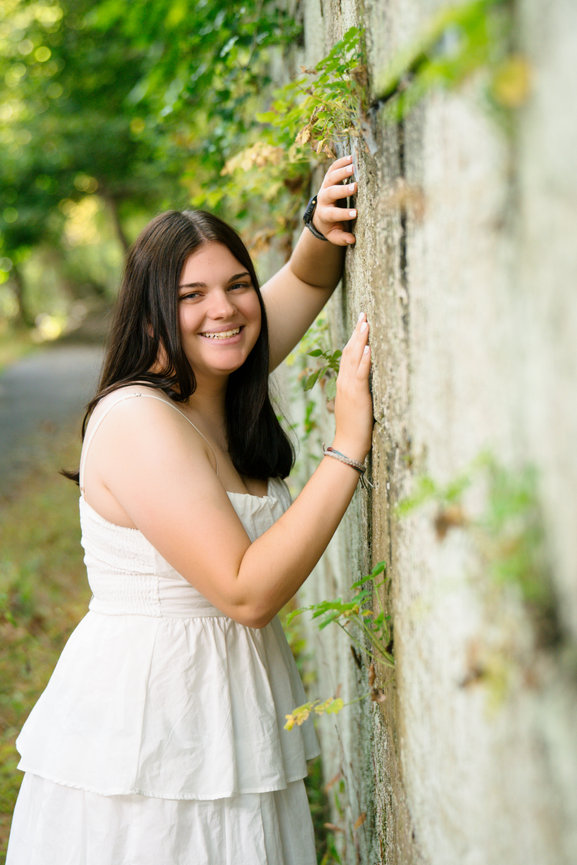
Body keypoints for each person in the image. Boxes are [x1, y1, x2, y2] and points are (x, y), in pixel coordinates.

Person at [6, 154, 373, 865]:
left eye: (237, 285)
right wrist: (347, 444)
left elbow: (301, 279)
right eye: (191, 295)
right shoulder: (141, 419)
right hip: (155, 725)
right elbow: (245, 589)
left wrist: (321, 227)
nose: (225, 309)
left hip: (225, 703)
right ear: (150, 310)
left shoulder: (212, 385)